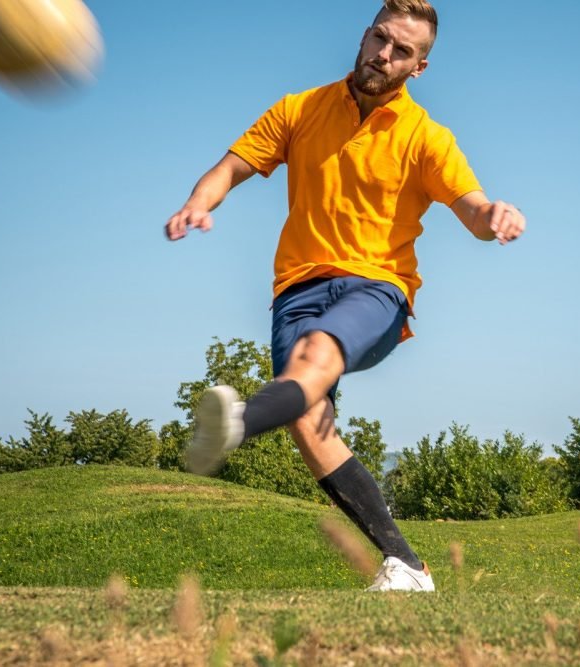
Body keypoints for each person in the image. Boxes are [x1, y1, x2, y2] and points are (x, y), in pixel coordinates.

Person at [164, 0, 526, 592]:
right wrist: (198, 203)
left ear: (419, 68)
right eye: (380, 39)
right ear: (364, 36)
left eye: (401, 50)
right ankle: (407, 565)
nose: (384, 55)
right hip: (295, 287)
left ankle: (236, 422)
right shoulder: (299, 109)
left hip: (377, 286)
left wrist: (496, 216)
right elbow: (230, 168)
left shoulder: (426, 138)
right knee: (308, 419)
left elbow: (473, 208)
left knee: (317, 353)